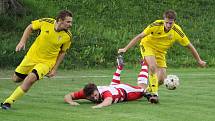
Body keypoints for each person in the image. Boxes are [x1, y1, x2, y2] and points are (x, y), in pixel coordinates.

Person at [118, 10, 206, 103]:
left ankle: (147, 91)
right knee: (152, 66)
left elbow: (189, 46)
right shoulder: (156, 25)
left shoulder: (177, 31)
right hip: (148, 46)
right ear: (164, 20)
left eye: (170, 23)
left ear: (174, 22)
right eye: (167, 22)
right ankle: (154, 94)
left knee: (161, 80)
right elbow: (140, 36)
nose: (168, 25)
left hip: (161, 52)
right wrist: (125, 48)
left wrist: (199, 60)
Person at [1, 10, 73, 109]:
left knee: (31, 79)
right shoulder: (46, 22)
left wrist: (54, 69)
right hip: (31, 57)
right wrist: (22, 42)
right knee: (16, 79)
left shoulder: (67, 36)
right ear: (60, 20)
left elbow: (62, 52)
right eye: (68, 22)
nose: (70, 25)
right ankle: (30, 73)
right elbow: (30, 27)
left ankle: (8, 102)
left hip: (47, 62)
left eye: (71, 22)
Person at [64, 57, 151, 108]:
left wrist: (98, 106)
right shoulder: (86, 92)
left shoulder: (105, 93)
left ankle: (144, 64)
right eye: (91, 97)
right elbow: (68, 96)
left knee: (142, 88)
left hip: (125, 92)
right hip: (114, 87)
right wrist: (71, 102)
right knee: (113, 85)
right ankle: (119, 67)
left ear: (97, 90)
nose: (94, 98)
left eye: (95, 95)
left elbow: (108, 100)